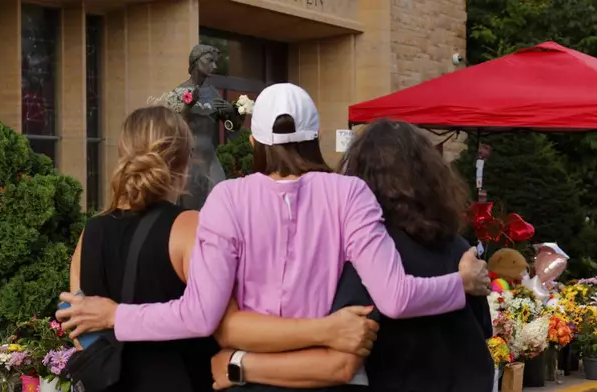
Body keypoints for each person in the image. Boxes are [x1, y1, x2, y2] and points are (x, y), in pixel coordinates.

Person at [58, 83, 490, 389]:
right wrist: (462, 284)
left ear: (253, 142)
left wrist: (118, 316)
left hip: (247, 377)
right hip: (323, 377)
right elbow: (395, 297)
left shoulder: (227, 198)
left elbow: (204, 317)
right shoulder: (350, 192)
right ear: (316, 136)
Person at [69, 104, 379, 392]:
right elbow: (221, 323)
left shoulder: (90, 232)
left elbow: (81, 326)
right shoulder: (189, 226)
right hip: (189, 379)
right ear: (185, 162)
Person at [208, 120, 494, 392]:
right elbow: (483, 331)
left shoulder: (368, 253)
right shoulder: (460, 249)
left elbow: (340, 362)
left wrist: (237, 365)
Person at [176, 44, 243, 210]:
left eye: (215, 62)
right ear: (196, 61)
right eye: (209, 61)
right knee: (190, 209)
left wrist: (234, 112)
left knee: (220, 205)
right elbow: (172, 125)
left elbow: (233, 128)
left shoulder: (213, 93)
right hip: (190, 159)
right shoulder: (180, 91)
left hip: (210, 158)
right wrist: (187, 107)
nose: (214, 66)